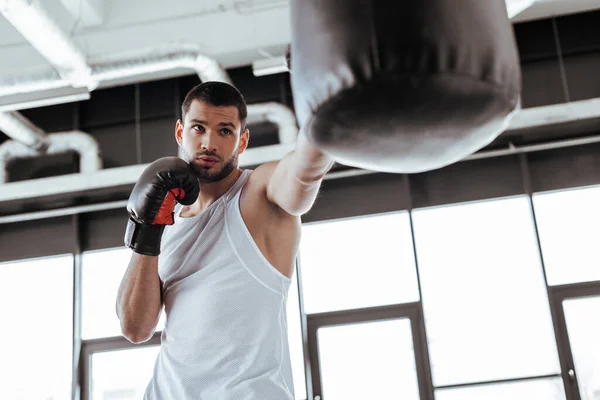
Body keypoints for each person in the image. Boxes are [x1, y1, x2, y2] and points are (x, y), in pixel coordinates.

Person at [116, 80, 334, 399]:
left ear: (242, 140)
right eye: (199, 128)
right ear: (181, 132)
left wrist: (327, 119)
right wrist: (147, 230)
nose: (209, 143)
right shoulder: (168, 218)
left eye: (225, 131)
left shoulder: (258, 194)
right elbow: (135, 328)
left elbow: (302, 174)